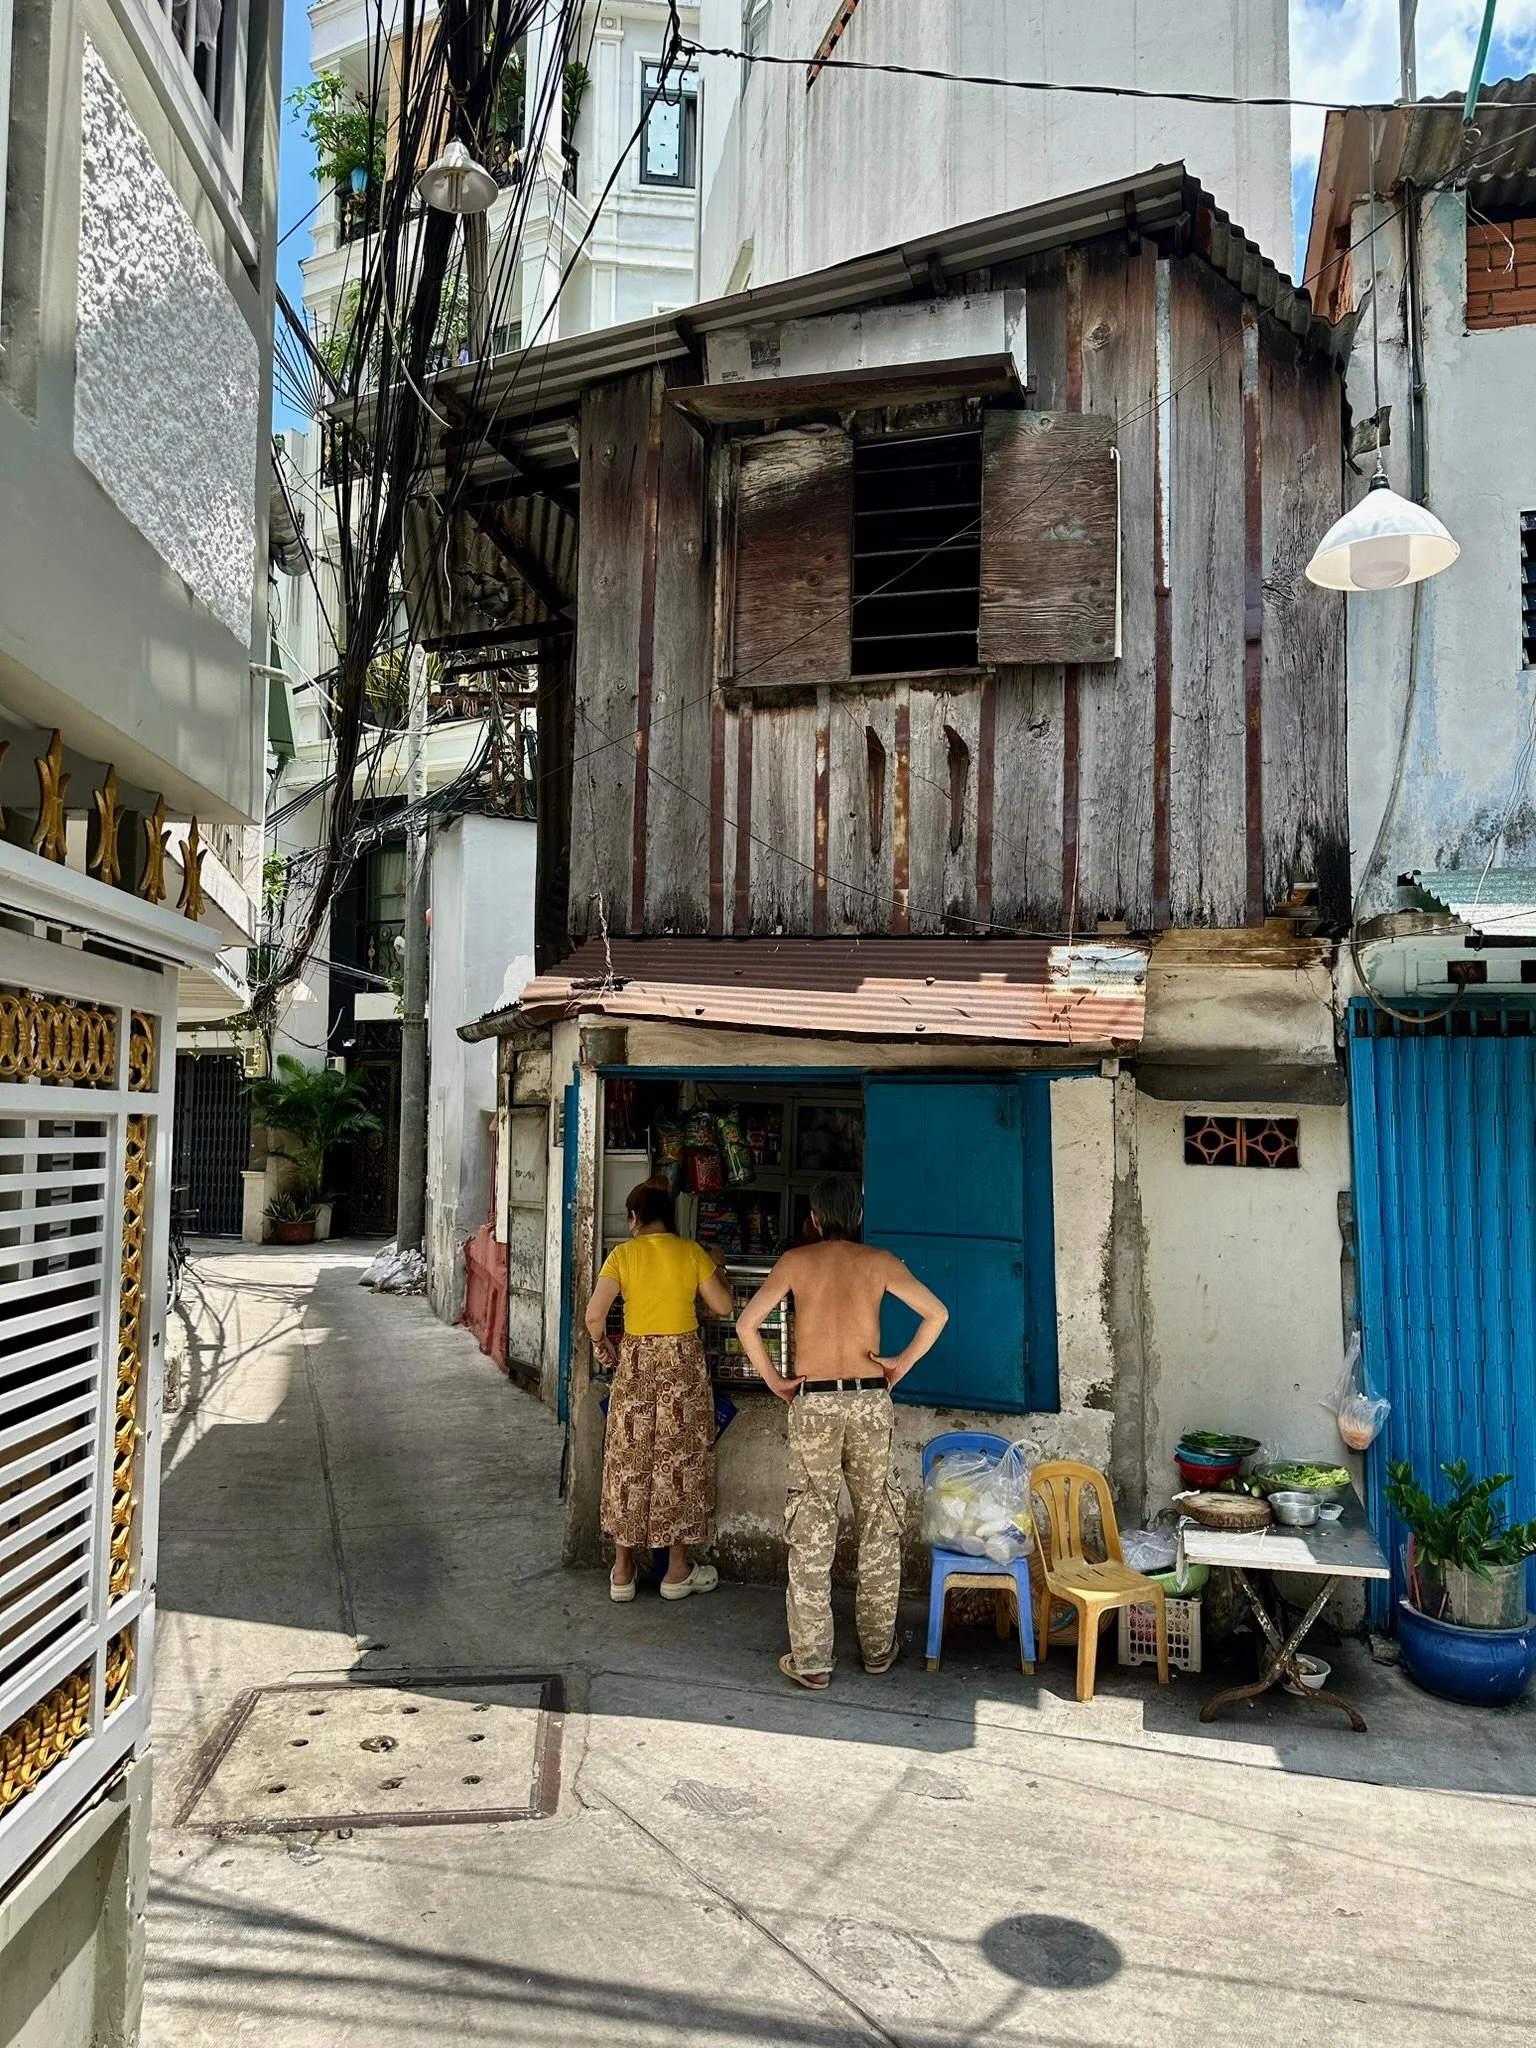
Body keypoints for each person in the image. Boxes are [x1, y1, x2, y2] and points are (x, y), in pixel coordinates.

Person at [735, 1175, 949, 1690]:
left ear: (813, 1219)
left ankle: (812, 1659)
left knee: (811, 1523)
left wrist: (777, 1382)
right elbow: (936, 1313)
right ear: (856, 1215)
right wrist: (899, 1365)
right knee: (878, 1518)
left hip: (814, 1401)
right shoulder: (878, 1261)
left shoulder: (795, 1263)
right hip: (870, 1398)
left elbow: (746, 1325)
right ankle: (877, 1648)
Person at [585, 1181, 735, 1603]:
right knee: (681, 1462)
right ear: (670, 1217)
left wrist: (605, 1348)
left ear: (635, 1219)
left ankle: (622, 1569)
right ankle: (677, 1570)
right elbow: (723, 1307)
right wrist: (717, 1265)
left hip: (635, 1362)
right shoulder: (691, 1253)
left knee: (629, 1461)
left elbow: (594, 1316)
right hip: (682, 1364)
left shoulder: (622, 1255)